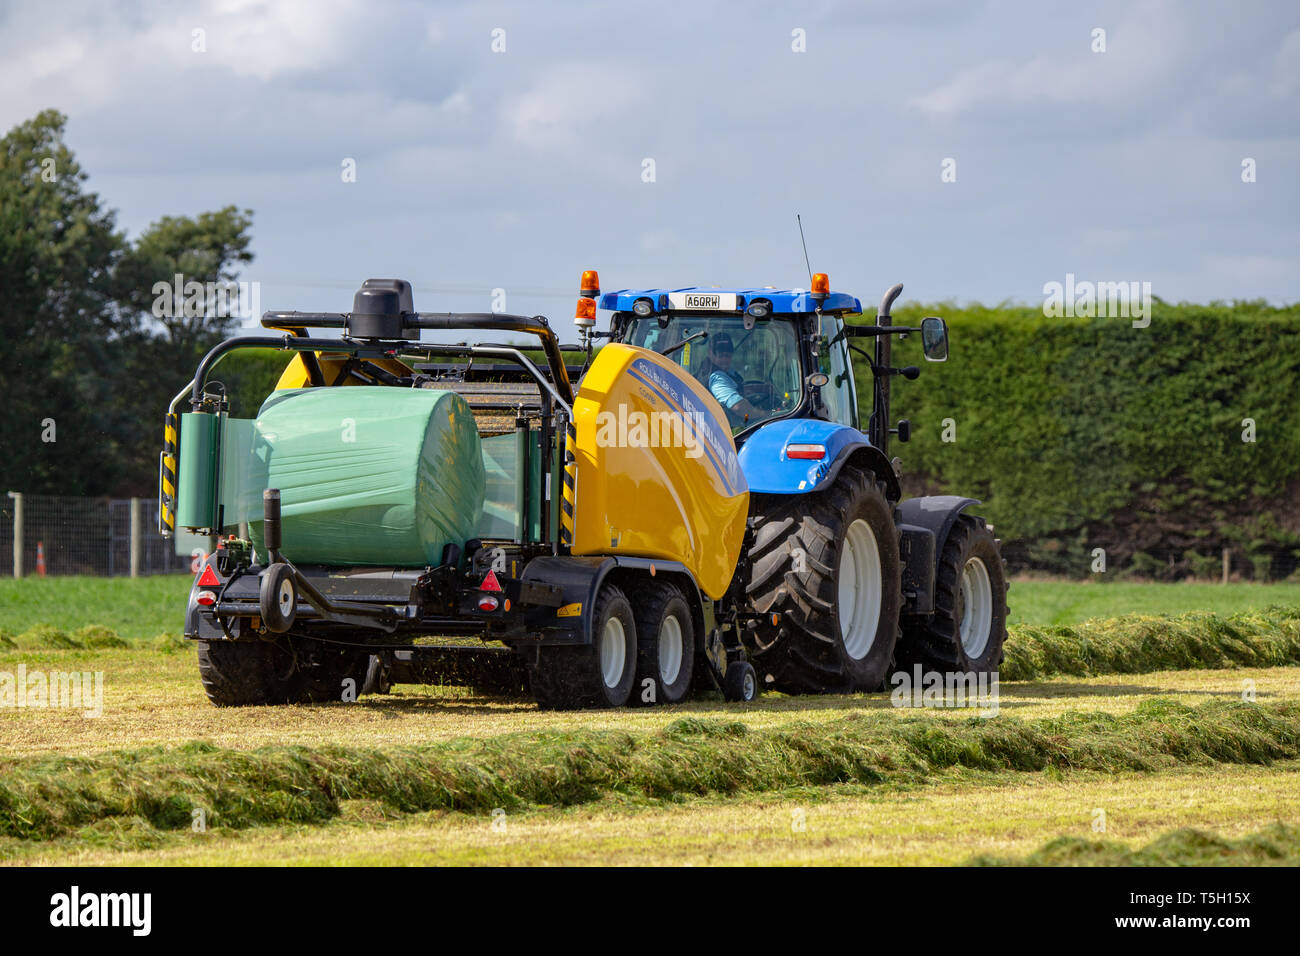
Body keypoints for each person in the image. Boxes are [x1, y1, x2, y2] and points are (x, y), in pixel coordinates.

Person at [706, 333, 762, 424]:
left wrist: (761, 388)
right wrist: (765, 414)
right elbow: (738, 407)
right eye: (720, 356)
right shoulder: (716, 378)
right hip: (728, 432)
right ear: (710, 353)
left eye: (727, 356)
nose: (724, 360)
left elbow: (734, 387)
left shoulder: (727, 372)